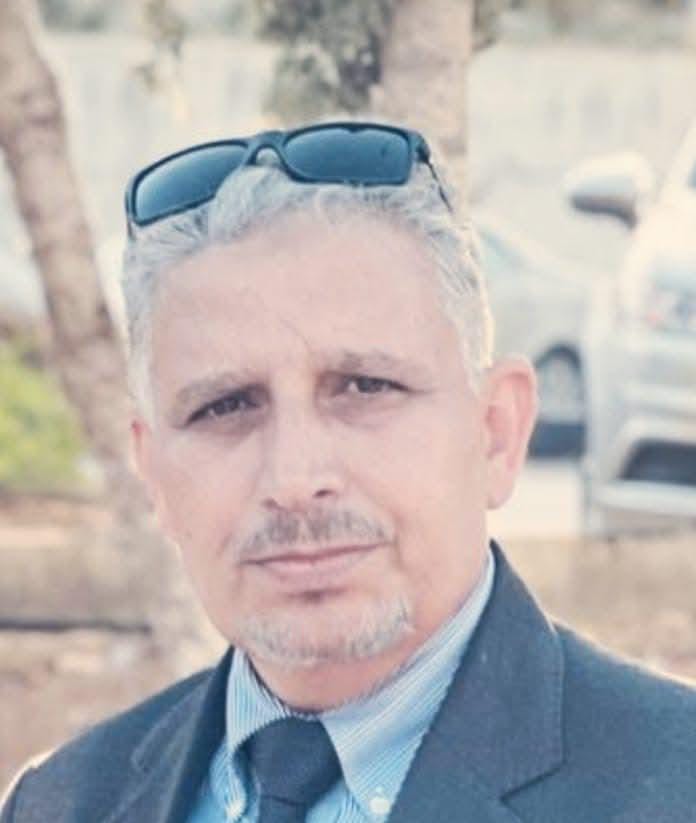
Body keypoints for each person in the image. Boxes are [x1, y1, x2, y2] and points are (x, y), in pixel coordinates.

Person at [2, 121, 696, 823]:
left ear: (495, 432)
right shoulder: (60, 803)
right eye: (226, 406)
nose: (295, 478)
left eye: (364, 387)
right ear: (153, 474)